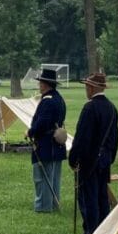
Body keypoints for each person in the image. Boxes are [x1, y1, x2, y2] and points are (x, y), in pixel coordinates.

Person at [68, 72, 118, 234]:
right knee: (101, 196)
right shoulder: (112, 108)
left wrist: (74, 158)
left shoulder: (90, 108)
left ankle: (91, 233)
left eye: (87, 87)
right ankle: (103, 230)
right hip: (104, 159)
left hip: (89, 159)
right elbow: (115, 137)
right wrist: (110, 157)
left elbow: (82, 137)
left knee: (88, 196)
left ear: (91, 88)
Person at [27, 67, 67, 212]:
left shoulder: (48, 101)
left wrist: (30, 132)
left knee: (42, 176)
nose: (39, 85)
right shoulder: (58, 98)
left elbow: (42, 122)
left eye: (41, 83)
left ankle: (44, 206)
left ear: (46, 84)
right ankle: (53, 203)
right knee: (54, 176)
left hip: (46, 143)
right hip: (55, 143)